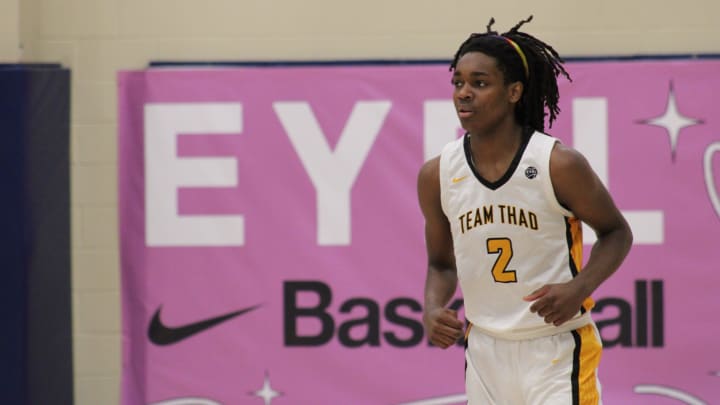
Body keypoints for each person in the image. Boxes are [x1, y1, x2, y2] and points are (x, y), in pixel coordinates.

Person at [417, 16, 633, 404]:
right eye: (458, 83)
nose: (464, 93)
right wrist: (432, 308)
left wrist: (579, 287)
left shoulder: (557, 164)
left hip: (554, 347)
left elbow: (617, 233)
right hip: (484, 350)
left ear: (514, 91)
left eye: (479, 83)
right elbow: (441, 264)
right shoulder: (438, 173)